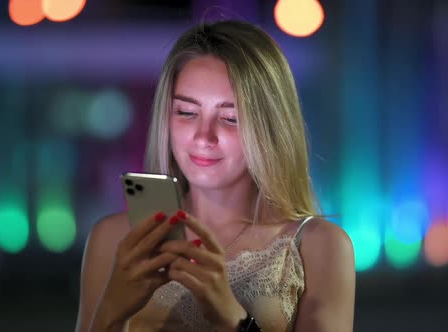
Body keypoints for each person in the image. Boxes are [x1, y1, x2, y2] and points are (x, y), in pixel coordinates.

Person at [75, 20, 355, 332]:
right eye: (187, 112)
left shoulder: (317, 245)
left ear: (271, 127)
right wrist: (112, 310)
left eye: (229, 118)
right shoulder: (112, 238)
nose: (203, 136)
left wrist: (233, 319)